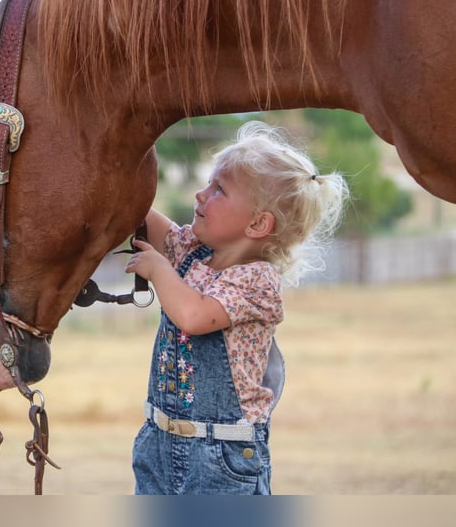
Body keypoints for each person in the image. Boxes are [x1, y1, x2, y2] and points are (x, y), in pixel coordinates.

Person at [125, 121, 349, 494]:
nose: (200, 195)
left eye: (219, 190)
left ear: (258, 224)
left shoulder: (257, 281)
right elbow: (137, 214)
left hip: (220, 457)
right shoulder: (191, 251)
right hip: (158, 443)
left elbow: (194, 316)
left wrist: (160, 270)